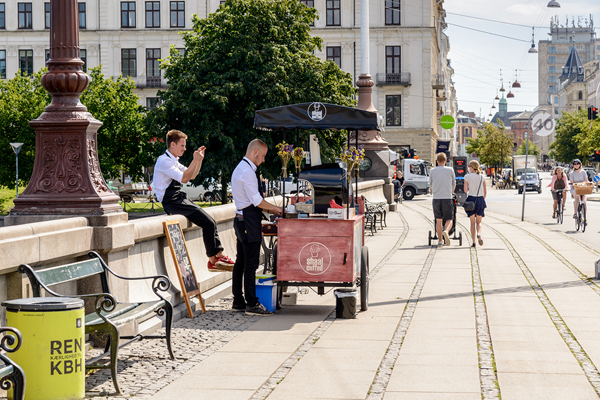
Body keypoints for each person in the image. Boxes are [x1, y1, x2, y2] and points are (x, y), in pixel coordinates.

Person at [153, 129, 235, 272]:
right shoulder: (164, 161)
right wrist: (194, 160)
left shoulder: (172, 160)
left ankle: (214, 260)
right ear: (173, 144)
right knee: (209, 222)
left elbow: (192, 175)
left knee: (209, 222)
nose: (185, 149)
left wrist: (199, 160)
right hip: (171, 202)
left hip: (177, 199)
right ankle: (216, 258)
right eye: (182, 145)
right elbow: (185, 178)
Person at [231, 139, 283, 316]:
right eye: (262, 156)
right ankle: (252, 304)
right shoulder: (247, 172)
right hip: (248, 221)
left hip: (241, 219)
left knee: (241, 262)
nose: (263, 160)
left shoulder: (242, 168)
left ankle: (238, 301)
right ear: (254, 152)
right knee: (250, 264)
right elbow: (257, 201)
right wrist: (277, 209)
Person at [429, 152, 455, 246]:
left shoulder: (432, 171)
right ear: (445, 161)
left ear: (437, 161)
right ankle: (446, 232)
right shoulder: (450, 170)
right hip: (447, 198)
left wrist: (432, 191)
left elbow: (430, 184)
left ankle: (440, 241)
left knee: (438, 220)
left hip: (436, 198)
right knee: (449, 219)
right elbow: (453, 182)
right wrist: (451, 191)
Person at [463, 160, 487, 247]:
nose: (468, 168)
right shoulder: (482, 177)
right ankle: (479, 234)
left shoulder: (467, 176)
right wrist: (482, 199)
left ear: (472, 167)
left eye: (469, 166)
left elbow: (465, 190)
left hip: (471, 200)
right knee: (479, 222)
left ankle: (473, 242)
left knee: (472, 223)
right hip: (480, 199)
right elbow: (485, 192)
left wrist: (470, 187)